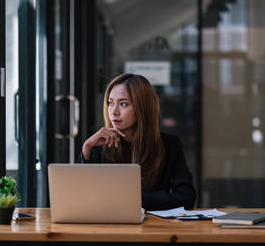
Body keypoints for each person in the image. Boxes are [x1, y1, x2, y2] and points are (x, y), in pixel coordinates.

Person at [78, 73, 196, 211]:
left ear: (142, 108)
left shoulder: (168, 145)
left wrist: (130, 199)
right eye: (110, 103)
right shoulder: (99, 145)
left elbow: (186, 197)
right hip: (107, 226)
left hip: (153, 228)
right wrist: (86, 149)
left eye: (123, 104)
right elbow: (82, 199)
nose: (114, 112)